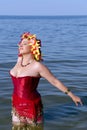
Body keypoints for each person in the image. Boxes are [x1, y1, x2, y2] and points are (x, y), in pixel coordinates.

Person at [10, 32, 82, 130]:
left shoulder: (38, 66)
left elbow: (54, 81)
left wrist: (72, 95)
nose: (20, 45)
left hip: (32, 106)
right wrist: (26, 39)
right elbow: (20, 51)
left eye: (25, 44)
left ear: (33, 47)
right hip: (16, 106)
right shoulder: (19, 61)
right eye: (20, 43)